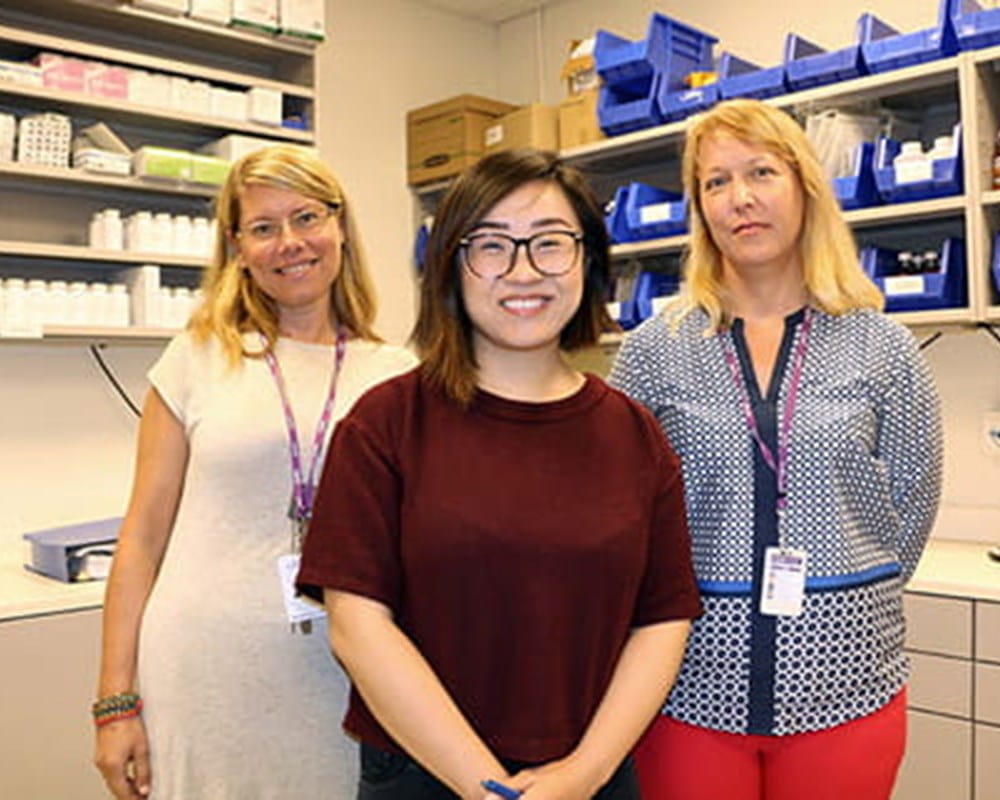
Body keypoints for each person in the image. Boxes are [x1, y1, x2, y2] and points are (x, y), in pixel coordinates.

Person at [296, 148, 703, 800]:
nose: (523, 271)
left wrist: (585, 772)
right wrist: (488, 788)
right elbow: (358, 625)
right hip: (423, 774)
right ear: (451, 269)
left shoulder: (634, 436)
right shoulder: (385, 425)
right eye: (491, 246)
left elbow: (662, 620)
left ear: (588, 262)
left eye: (550, 243)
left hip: (590, 779)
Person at [609, 98, 943, 800]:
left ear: (803, 187)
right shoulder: (651, 353)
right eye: (716, 182)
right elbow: (624, 516)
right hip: (689, 690)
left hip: (846, 683)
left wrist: (841, 590)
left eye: (760, 172)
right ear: (700, 208)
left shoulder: (884, 345)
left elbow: (910, 507)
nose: (741, 198)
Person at [93, 144, 417, 799]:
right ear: (237, 247)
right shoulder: (196, 358)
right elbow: (143, 537)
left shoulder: (397, 373)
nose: (289, 243)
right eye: (263, 228)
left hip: (343, 679)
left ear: (340, 226)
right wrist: (114, 703)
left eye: (306, 218)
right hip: (201, 670)